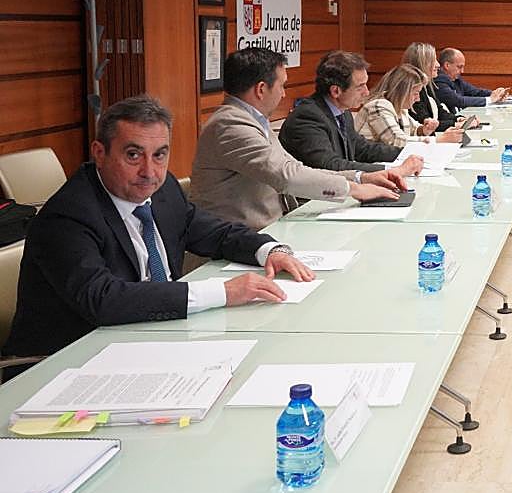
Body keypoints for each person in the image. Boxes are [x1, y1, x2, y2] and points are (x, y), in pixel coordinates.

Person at [2, 96, 316, 372]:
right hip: (66, 362)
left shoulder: (162, 190)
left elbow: (215, 232)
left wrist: (270, 250)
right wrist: (223, 292)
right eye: (133, 156)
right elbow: (104, 300)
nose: (150, 172)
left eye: (160, 155)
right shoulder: (69, 215)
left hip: (149, 341)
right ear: (99, 152)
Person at [191, 48, 411, 231]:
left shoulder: (252, 120)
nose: (284, 95)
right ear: (261, 89)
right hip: (237, 241)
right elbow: (288, 176)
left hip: (270, 228)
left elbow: (294, 167)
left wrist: (362, 178)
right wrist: (355, 188)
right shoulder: (231, 125)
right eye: (282, 86)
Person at [279, 50, 417, 172]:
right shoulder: (307, 117)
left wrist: (406, 153)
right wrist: (390, 170)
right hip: (311, 199)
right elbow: (330, 165)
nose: (366, 92)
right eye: (360, 86)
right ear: (336, 91)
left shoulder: (343, 112)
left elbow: (362, 148)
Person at [357, 64, 463, 146]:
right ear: (402, 92)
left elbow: (414, 129)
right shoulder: (378, 106)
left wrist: (424, 130)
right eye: (415, 93)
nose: (418, 99)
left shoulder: (399, 108)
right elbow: (396, 141)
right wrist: (439, 139)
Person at [434, 48, 509, 114]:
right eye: (459, 67)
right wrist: (490, 99)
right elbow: (458, 101)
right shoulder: (439, 80)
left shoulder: (456, 79)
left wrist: (495, 94)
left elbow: (475, 92)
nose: (462, 71)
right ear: (447, 65)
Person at [403, 42, 457, 132]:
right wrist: (456, 124)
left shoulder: (427, 86)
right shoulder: (412, 91)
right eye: (433, 60)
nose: (438, 65)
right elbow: (426, 123)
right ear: (422, 64)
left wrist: (458, 119)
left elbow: (440, 112)